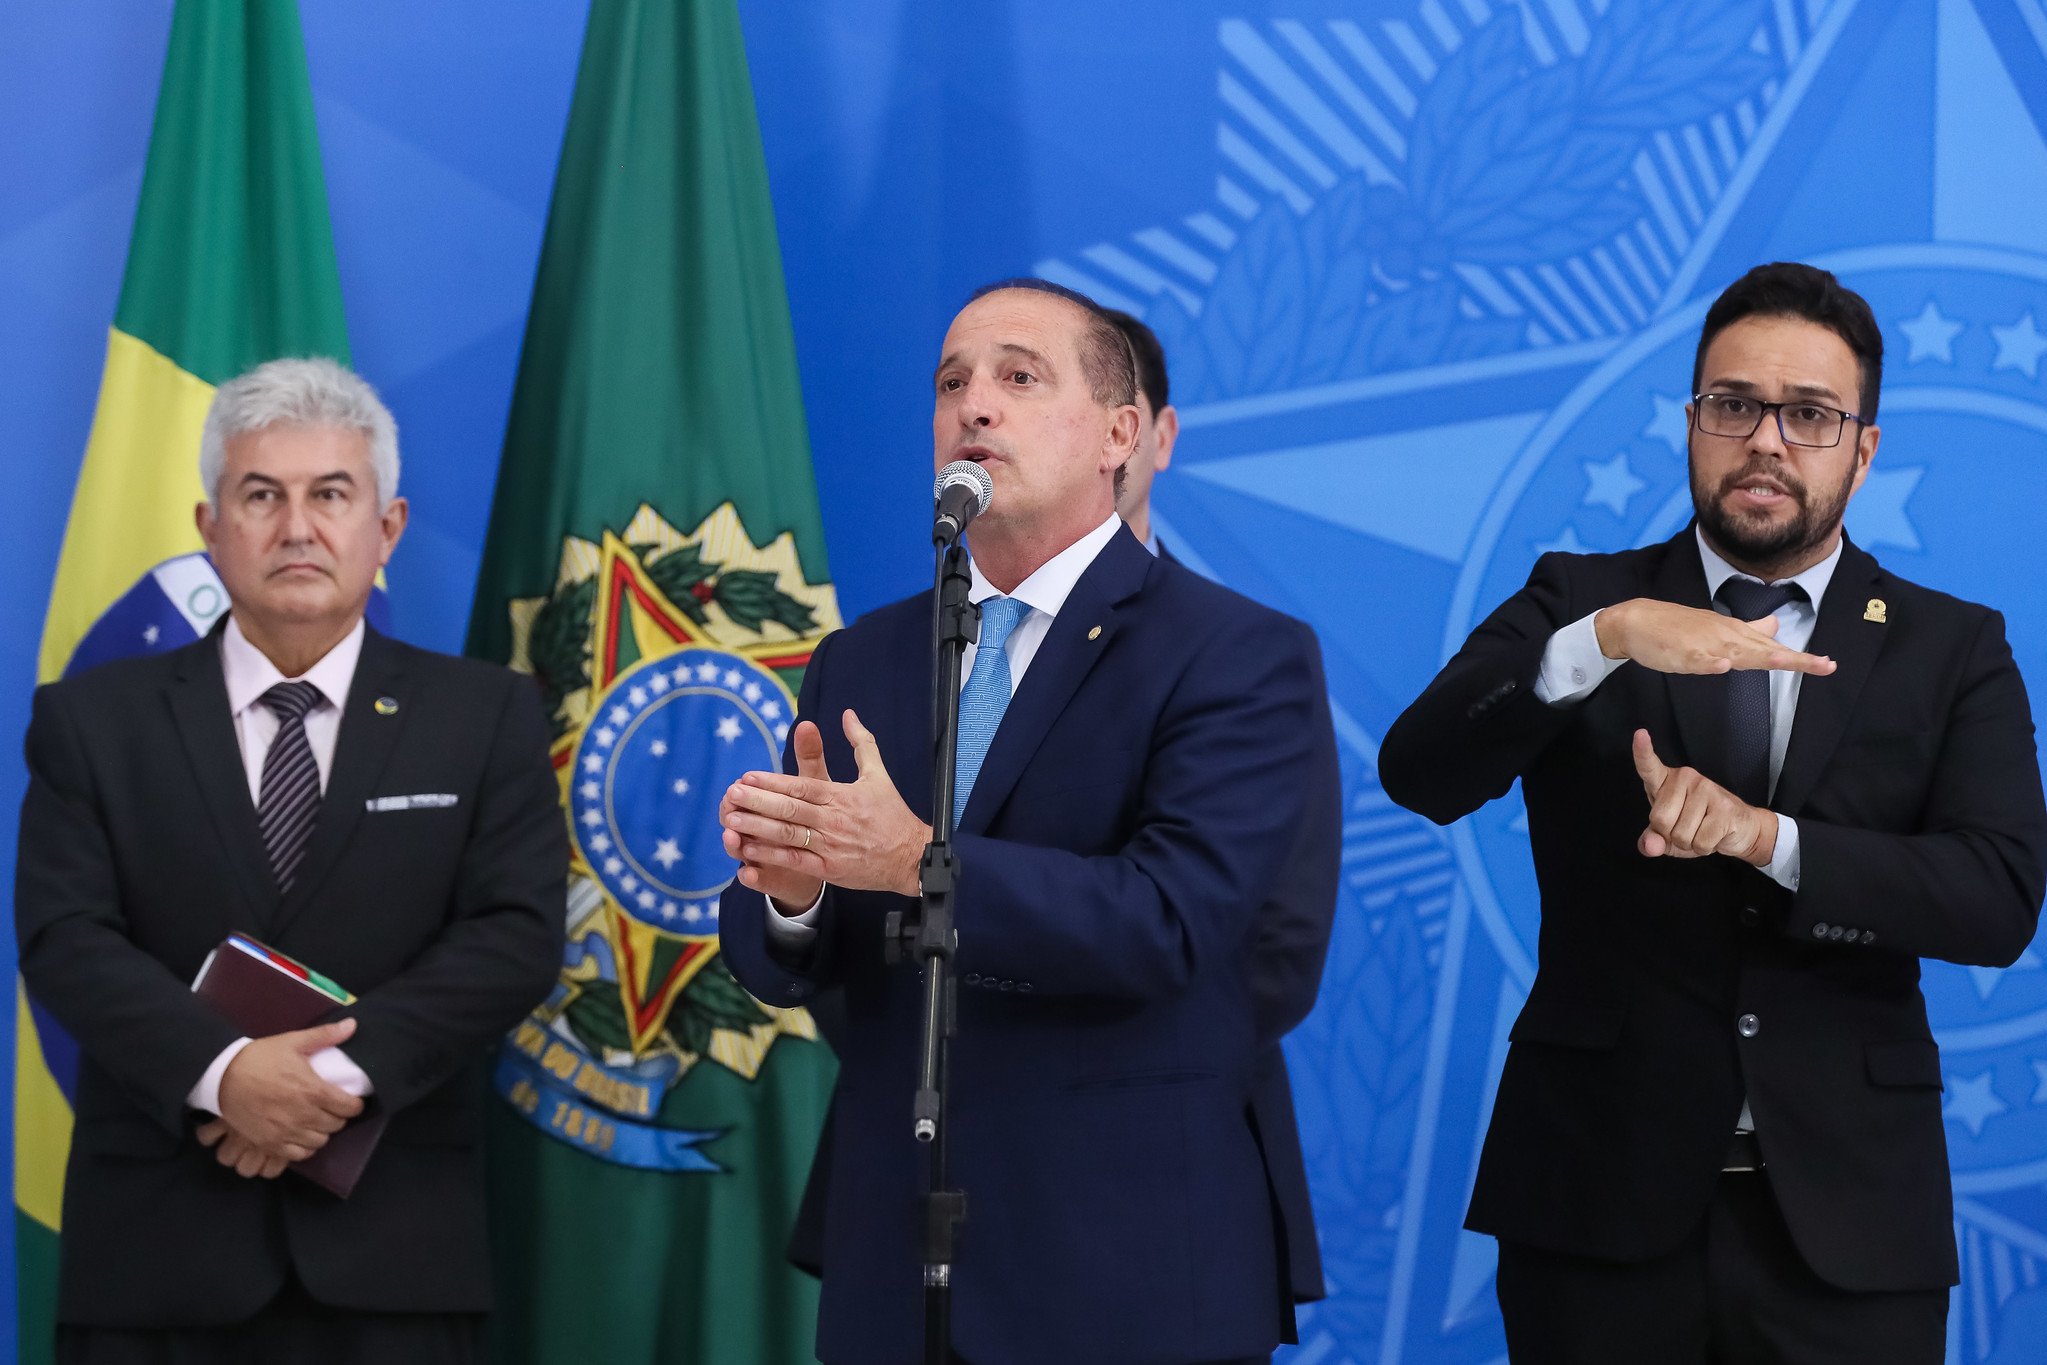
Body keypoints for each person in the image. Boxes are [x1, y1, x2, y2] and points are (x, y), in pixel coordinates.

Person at [1379, 262, 2047, 1363]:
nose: (1766, 441)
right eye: (1732, 406)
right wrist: (1603, 643)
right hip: (1594, 1207)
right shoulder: (1579, 602)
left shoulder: (1949, 643)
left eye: (1810, 415)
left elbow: (1996, 900)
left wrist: (1766, 842)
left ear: (1862, 448)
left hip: (1849, 1223)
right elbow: (1421, 770)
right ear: (1691, 423)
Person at [718, 279, 1335, 1365]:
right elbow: (789, 967)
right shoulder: (859, 658)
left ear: (1121, 434)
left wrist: (915, 860)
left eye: (1017, 376)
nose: (974, 406)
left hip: (1123, 1260)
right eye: (952, 382)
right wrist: (795, 894)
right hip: (891, 1257)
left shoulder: (1234, 653)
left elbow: (1171, 922)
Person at [16, 357, 567, 1363]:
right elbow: (65, 939)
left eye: (331, 494)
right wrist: (224, 1075)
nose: (297, 528)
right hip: (155, 1262)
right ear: (209, 528)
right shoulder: (93, 720)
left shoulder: (484, 717)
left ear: (387, 528)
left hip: (394, 1256)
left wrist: (329, 1079)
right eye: (262, 495)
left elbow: (516, 937)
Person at [1103, 306, 1339, 1314]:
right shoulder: (906, 655)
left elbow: (1276, 951)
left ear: (1156, 436)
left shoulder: (1246, 656)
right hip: (928, 1199)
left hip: (1164, 1185)